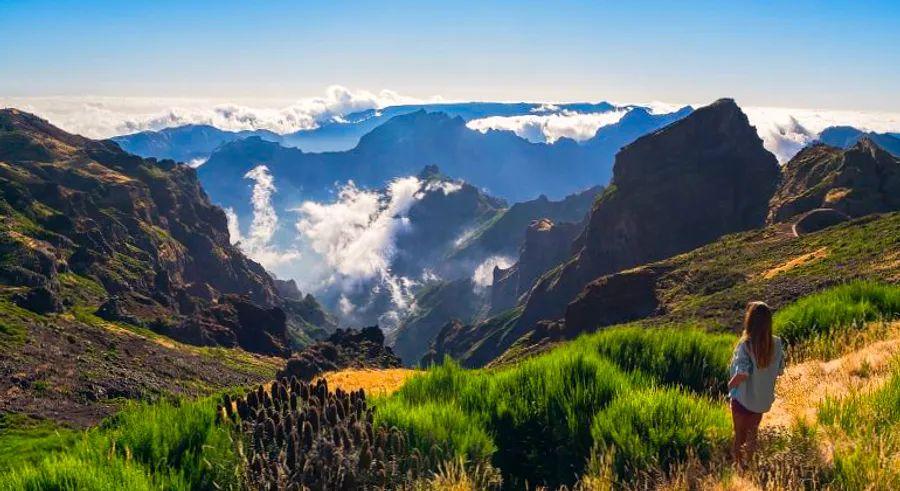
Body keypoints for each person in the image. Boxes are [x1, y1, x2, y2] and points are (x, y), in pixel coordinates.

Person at [728, 301, 785, 468]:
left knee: (739, 436)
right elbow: (780, 370)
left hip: (743, 399)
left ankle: (739, 470)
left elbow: (742, 373)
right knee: (753, 434)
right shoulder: (777, 344)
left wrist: (730, 386)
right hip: (761, 401)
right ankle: (750, 465)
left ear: (750, 320)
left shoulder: (746, 344)